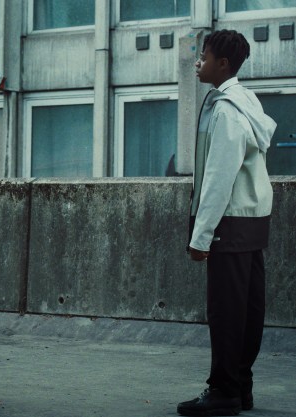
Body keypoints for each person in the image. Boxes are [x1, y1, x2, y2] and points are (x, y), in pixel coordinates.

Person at [177, 30, 276, 416]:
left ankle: (223, 391)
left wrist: (201, 236)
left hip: (229, 222)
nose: (197, 62)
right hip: (252, 220)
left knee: (226, 312)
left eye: (203, 56)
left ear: (223, 64)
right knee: (247, 309)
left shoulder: (225, 109)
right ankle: (240, 387)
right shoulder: (244, 99)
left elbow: (219, 177)